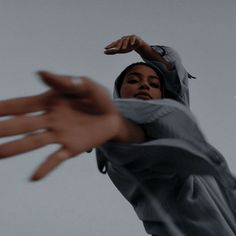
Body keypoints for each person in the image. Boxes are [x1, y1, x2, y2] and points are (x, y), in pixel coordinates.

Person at [0, 35, 235, 236]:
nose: (144, 86)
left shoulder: (179, 126)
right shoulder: (124, 148)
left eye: (153, 83)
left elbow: (173, 101)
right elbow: (144, 150)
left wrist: (145, 49)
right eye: (133, 80)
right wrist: (115, 128)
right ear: (118, 94)